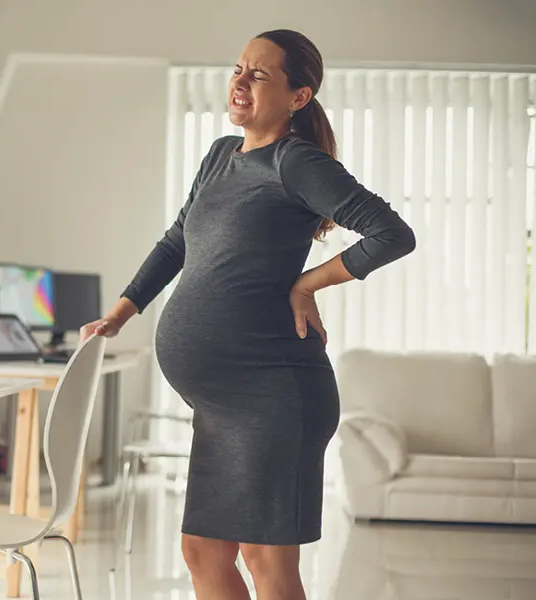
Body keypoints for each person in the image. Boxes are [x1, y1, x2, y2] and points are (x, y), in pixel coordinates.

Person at [81, 29, 415, 600]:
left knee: (267, 560)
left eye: (259, 74)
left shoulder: (296, 162)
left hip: (274, 394)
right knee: (202, 552)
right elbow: (176, 241)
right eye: (238, 68)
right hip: (221, 405)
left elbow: (392, 234)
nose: (240, 81)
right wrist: (120, 312)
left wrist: (310, 281)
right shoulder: (220, 156)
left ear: (298, 97)